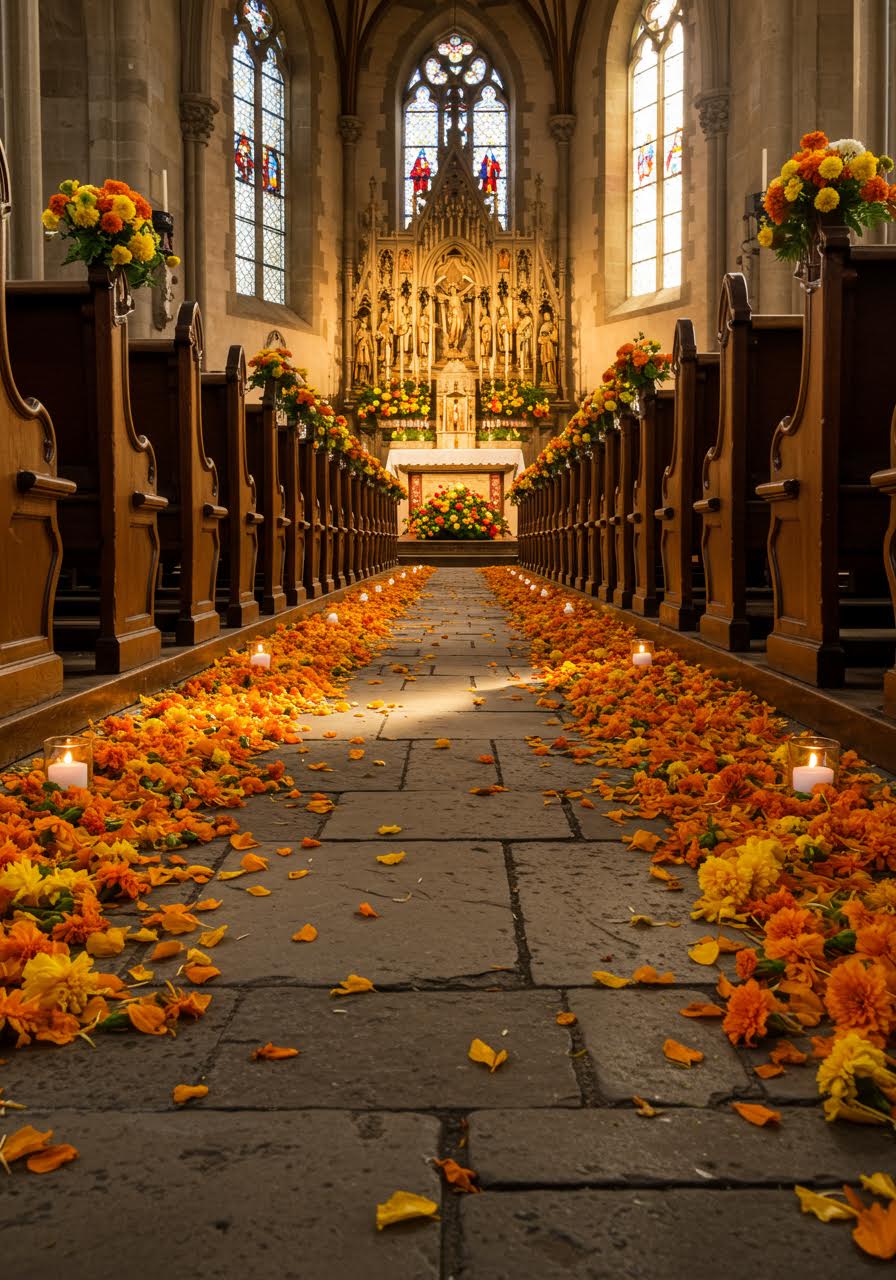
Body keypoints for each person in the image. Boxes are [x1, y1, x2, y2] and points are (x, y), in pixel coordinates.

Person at [538, 309, 559, 385]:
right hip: (544, 347)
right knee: (544, 364)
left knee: (549, 363)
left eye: (547, 315)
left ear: (550, 316)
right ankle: (544, 380)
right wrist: (541, 340)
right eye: (545, 315)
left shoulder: (552, 326)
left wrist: (549, 336)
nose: (546, 317)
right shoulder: (543, 326)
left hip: (549, 346)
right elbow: (539, 338)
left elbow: (555, 339)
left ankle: (552, 381)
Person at [352, 315, 372, 384]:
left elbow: (369, 341)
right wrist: (359, 338)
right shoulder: (359, 332)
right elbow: (355, 341)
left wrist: (371, 349)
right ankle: (359, 379)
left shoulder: (367, 332)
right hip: (360, 348)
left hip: (365, 349)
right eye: (364, 321)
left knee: (366, 363)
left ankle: (366, 379)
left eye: (366, 321)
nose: (364, 324)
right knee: (360, 364)